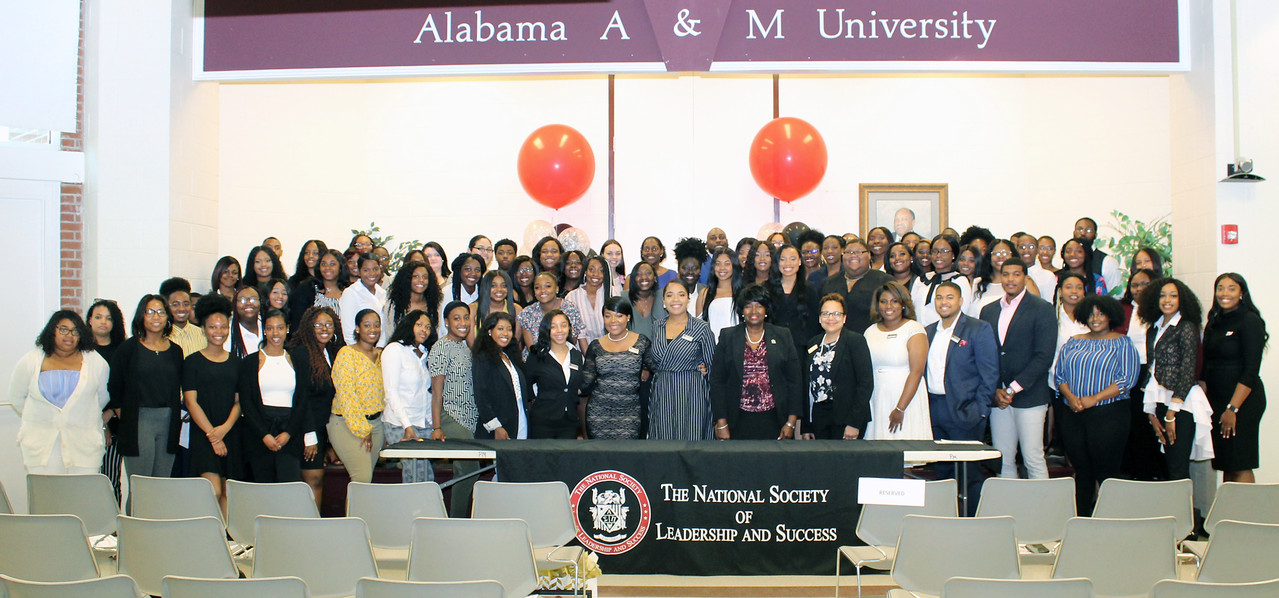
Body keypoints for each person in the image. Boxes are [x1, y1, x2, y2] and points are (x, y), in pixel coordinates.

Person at [1053, 295, 1140, 515]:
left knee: (1106, 471)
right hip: (1073, 413)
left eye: (1101, 313)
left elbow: (1126, 380)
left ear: (1111, 316)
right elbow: (1059, 375)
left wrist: (1095, 398)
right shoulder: (1073, 341)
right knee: (1082, 471)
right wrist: (1071, 397)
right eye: (1091, 314)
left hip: (1109, 416)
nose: (1095, 318)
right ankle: (1080, 520)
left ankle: (1113, 519)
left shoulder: (1122, 342)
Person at [924, 281, 999, 514]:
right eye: (939, 297)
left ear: (960, 301)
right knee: (943, 472)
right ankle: (945, 519)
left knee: (969, 474)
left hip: (965, 410)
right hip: (934, 410)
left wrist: (980, 410)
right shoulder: (928, 331)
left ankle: (971, 524)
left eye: (949, 297)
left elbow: (990, 372)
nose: (943, 302)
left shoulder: (978, 328)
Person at [979, 257, 1057, 479]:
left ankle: (1041, 511)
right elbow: (987, 356)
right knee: (1003, 459)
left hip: (1029, 395)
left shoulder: (1042, 309)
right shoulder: (989, 311)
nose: (1010, 279)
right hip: (998, 397)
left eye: (1016, 274)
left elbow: (1044, 357)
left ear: (1025, 277)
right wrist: (995, 390)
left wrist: (1012, 389)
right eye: (1006, 274)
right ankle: (1009, 509)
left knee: (1033, 457)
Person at [9, 311, 109, 474]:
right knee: (47, 497)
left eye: (75, 331)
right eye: (63, 329)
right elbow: (17, 397)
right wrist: (43, 417)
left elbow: (102, 398)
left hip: (84, 447)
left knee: (82, 496)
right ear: (52, 331)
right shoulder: (31, 360)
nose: (69, 335)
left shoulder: (96, 362)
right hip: (41, 448)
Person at [709, 283, 802, 440]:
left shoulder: (782, 335)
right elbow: (717, 381)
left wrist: (791, 422)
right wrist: (721, 423)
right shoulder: (728, 337)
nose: (753, 311)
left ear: (766, 310)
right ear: (741, 311)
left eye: (759, 306)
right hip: (737, 420)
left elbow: (795, 381)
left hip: (775, 419)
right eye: (748, 306)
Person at [1139, 277, 1208, 482]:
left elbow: (1188, 371)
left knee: (1178, 468)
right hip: (1159, 401)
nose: (1167, 300)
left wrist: (1171, 414)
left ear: (1182, 300)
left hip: (1182, 404)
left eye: (1173, 295)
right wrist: (1151, 412)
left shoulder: (1186, 327)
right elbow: (1152, 370)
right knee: (1167, 467)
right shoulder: (1153, 329)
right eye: (1162, 295)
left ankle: (1184, 513)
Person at [108, 294, 184, 478]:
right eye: (150, 312)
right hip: (138, 421)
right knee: (140, 486)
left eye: (160, 312)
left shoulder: (175, 351)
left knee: (161, 483)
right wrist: (125, 417)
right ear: (141, 316)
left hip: (168, 421)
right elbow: (115, 386)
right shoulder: (129, 348)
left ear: (168, 317)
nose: (155, 317)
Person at [1202, 273, 1267, 483]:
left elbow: (1250, 371)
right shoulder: (1215, 322)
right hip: (1217, 401)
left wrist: (1232, 409)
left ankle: (1246, 515)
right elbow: (1206, 366)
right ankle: (1230, 514)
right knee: (1226, 463)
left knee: (1240, 462)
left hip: (1242, 403)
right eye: (1220, 288)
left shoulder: (1249, 321)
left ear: (1242, 293)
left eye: (1231, 288)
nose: (1225, 293)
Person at [183, 294, 244, 513]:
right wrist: (213, 435)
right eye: (212, 327)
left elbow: (240, 402)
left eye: (223, 327)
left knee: (229, 493)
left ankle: (227, 543)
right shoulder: (192, 362)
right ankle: (205, 539)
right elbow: (191, 403)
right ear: (203, 329)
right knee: (213, 491)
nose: (218, 332)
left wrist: (224, 430)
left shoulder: (237, 363)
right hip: (203, 434)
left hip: (230, 432)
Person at [239, 308, 304, 484]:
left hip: (290, 433)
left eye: (280, 328)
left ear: (287, 329)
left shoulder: (298, 360)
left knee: (288, 488)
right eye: (270, 328)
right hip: (259, 433)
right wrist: (264, 435)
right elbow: (247, 402)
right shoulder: (250, 362)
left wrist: (288, 433)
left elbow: (302, 402)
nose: (275, 333)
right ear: (264, 330)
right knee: (262, 489)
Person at [648, 280, 717, 440]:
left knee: (692, 440)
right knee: (663, 441)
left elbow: (712, 367)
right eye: (670, 295)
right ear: (664, 301)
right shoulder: (656, 327)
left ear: (688, 299)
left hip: (692, 391)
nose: (675, 299)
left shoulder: (701, 328)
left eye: (681, 295)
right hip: (663, 391)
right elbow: (654, 360)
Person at [428, 301, 479, 515]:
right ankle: (456, 519)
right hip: (452, 416)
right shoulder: (441, 347)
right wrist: (437, 427)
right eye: (456, 318)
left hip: (470, 416)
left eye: (466, 318)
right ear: (446, 322)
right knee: (468, 470)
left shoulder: (466, 347)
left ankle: (460, 517)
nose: (463, 322)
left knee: (469, 472)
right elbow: (437, 392)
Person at [864, 282, 931, 440]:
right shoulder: (870, 331)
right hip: (877, 398)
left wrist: (900, 408)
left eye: (894, 301)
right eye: (883, 301)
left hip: (906, 399)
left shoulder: (914, 329)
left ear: (903, 304)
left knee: (906, 449)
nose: (889, 306)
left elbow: (916, 372)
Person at [289, 306, 342, 508]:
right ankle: (309, 526)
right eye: (318, 324)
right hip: (305, 428)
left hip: (323, 428)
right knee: (312, 479)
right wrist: (309, 435)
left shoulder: (331, 352)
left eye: (329, 324)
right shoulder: (302, 353)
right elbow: (302, 397)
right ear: (308, 327)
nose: (324, 328)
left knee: (316, 480)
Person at [801, 294, 873, 440]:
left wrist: (854, 423)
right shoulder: (813, 344)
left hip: (847, 418)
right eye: (826, 313)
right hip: (819, 416)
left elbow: (865, 384)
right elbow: (807, 386)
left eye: (836, 314)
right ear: (819, 317)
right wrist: (806, 425)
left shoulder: (855, 341)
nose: (831, 318)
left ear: (844, 317)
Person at [581, 296, 653, 439]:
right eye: (608, 316)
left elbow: (659, 368)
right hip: (598, 412)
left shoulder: (641, 342)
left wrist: (695, 368)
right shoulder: (595, 346)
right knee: (601, 459)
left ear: (628, 317)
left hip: (630, 413)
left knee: (626, 458)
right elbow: (586, 382)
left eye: (618, 315)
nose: (613, 321)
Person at [328, 308, 385, 484]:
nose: (372, 329)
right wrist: (361, 428)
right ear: (357, 329)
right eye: (367, 325)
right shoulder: (346, 354)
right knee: (362, 479)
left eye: (376, 325)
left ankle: (363, 512)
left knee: (366, 480)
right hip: (347, 424)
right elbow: (346, 395)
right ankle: (355, 513)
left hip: (376, 425)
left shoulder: (382, 356)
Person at [1118, 268, 1164, 480]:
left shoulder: (1162, 310)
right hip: (1128, 373)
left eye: (1143, 284)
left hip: (1153, 373)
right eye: (1134, 285)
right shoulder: (1124, 309)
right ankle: (1134, 474)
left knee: (1150, 424)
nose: (1138, 289)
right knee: (1132, 426)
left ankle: (1152, 474)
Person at [381, 309, 435, 483]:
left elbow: (424, 393)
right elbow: (391, 391)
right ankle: (424, 510)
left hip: (422, 424)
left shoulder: (423, 353)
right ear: (409, 325)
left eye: (427, 327)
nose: (424, 330)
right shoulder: (394, 350)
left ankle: (412, 509)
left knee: (415, 474)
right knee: (421, 475)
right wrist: (407, 425)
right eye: (419, 325)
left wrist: (432, 424)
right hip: (399, 424)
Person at [524, 311, 585, 438]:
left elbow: (580, 383)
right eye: (553, 326)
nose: (559, 330)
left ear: (569, 328)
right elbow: (527, 384)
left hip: (570, 421)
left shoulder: (576, 355)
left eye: (563, 325)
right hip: (543, 420)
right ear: (547, 330)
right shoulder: (537, 354)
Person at [472, 312, 532, 440]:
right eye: (500, 329)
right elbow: (481, 396)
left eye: (509, 329)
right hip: (497, 428)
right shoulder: (483, 357)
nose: (505, 333)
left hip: (520, 420)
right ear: (489, 331)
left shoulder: (511, 357)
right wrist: (495, 427)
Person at [88, 298, 126, 495]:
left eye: (109, 318)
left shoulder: (123, 350)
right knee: (87, 481)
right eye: (98, 317)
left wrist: (108, 418)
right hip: (84, 425)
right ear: (89, 321)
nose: (103, 321)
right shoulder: (81, 351)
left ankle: (112, 526)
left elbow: (124, 388)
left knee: (110, 481)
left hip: (115, 422)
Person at [819, 238, 894, 336]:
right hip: (836, 343)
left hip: (873, 340)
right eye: (849, 252)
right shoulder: (828, 283)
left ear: (869, 255)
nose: (853, 255)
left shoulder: (884, 281)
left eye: (859, 252)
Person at [516, 272, 588, 353]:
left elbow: (571, 342)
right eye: (537, 287)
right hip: (536, 360)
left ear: (556, 289)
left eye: (548, 286)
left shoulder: (570, 309)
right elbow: (532, 349)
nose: (542, 290)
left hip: (564, 358)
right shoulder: (527, 313)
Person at [913, 234, 970, 327]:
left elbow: (962, 313)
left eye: (944, 251)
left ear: (953, 255)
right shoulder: (921, 279)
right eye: (935, 251)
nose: (938, 255)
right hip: (920, 334)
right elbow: (912, 309)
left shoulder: (960, 281)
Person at [770, 244, 816, 356]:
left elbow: (814, 322)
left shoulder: (810, 289)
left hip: (801, 348)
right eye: (783, 259)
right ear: (777, 262)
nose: (788, 263)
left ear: (800, 261)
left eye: (792, 259)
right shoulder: (767, 288)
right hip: (773, 347)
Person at [289, 248, 348, 331]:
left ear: (340, 267)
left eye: (332, 264)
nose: (327, 268)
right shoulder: (307, 288)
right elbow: (297, 323)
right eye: (323, 264)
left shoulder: (349, 291)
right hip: (311, 341)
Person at [339, 254, 388, 346]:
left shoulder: (383, 293)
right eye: (366, 270)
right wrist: (358, 353)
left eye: (375, 269)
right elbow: (348, 330)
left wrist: (380, 347)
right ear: (359, 271)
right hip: (359, 350)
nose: (372, 273)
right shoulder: (351, 293)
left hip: (379, 349)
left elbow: (384, 325)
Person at [386, 260, 442, 333]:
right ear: (407, 279)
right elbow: (389, 334)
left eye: (425, 277)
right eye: (416, 276)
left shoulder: (435, 306)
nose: (421, 280)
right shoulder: (393, 305)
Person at [564, 255, 610, 344]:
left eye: (601, 270)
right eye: (591, 269)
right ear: (585, 272)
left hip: (610, 348)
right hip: (581, 349)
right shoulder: (571, 297)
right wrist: (589, 358)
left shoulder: (613, 292)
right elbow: (578, 333)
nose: (595, 274)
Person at [698, 247, 741, 340]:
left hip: (737, 347)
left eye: (727, 264)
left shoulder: (743, 292)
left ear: (734, 265)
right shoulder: (705, 293)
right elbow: (699, 327)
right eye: (718, 264)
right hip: (712, 348)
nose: (722, 268)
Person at [470, 270, 521, 343]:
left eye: (504, 286)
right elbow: (472, 344)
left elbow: (515, 342)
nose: (499, 289)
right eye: (493, 285)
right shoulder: (473, 309)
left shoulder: (517, 310)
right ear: (486, 287)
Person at [1073, 217, 1122, 292]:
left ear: (1095, 235)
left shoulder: (1108, 261)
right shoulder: (1068, 259)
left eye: (1088, 230)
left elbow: (1115, 295)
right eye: (1080, 229)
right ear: (1074, 233)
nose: (1083, 233)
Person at [161, 277, 208, 356]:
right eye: (175, 304)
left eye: (186, 304)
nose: (181, 309)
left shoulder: (203, 335)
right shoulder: (161, 336)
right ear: (166, 306)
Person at [627, 262, 666, 342]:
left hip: (659, 350)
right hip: (630, 351)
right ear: (633, 278)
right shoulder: (624, 298)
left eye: (648, 273)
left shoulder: (663, 297)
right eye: (638, 274)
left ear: (655, 277)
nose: (644, 277)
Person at [674, 238, 709, 316]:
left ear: (700, 271)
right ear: (678, 269)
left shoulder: (708, 294)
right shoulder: (663, 295)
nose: (690, 272)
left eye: (695, 268)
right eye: (685, 268)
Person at [226, 285, 263, 358]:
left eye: (253, 299)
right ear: (235, 304)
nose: (248, 303)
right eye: (243, 300)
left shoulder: (268, 325)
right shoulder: (227, 332)